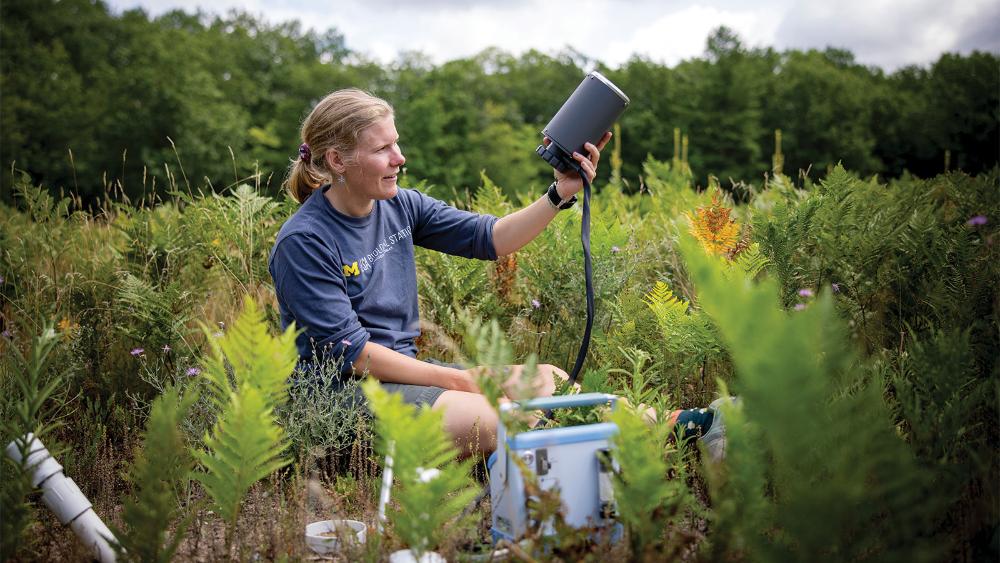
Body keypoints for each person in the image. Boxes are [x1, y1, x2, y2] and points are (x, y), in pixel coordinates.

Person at [268, 88, 610, 457]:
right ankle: (632, 441)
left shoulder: (400, 205)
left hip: (405, 375)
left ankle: (668, 425)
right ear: (337, 160)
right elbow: (354, 354)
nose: (399, 158)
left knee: (551, 381)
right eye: (383, 149)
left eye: (395, 144)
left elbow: (491, 238)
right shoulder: (304, 242)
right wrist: (458, 379)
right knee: (516, 419)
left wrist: (559, 193)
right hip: (341, 398)